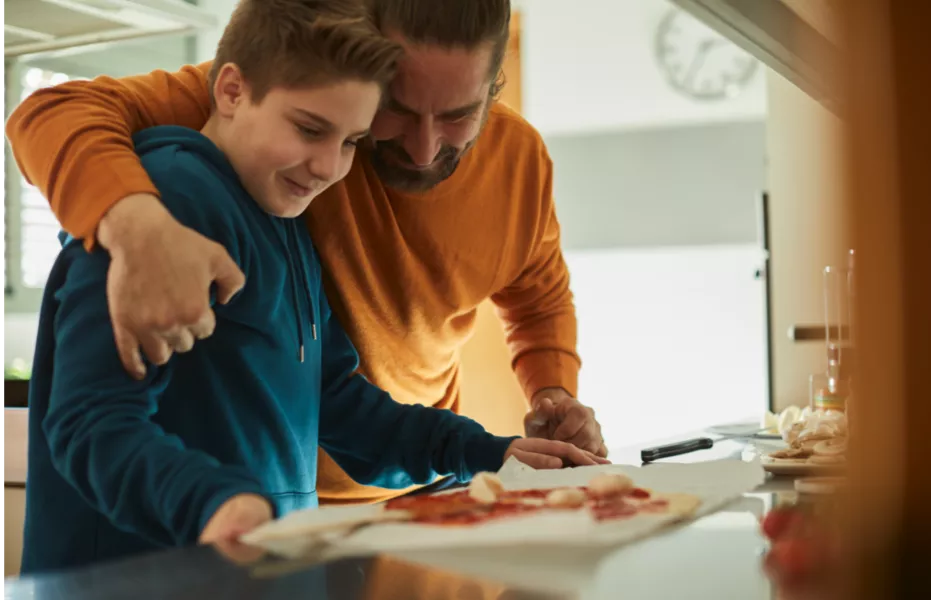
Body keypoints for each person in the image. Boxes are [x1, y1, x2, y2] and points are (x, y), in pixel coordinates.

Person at [18, 0, 605, 575]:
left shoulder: (287, 221)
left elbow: (339, 406)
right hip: (138, 578)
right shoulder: (165, 197)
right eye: (309, 129)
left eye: (352, 141)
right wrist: (214, 505)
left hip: (259, 566)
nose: (329, 167)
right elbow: (90, 425)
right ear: (228, 92)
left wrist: (488, 452)